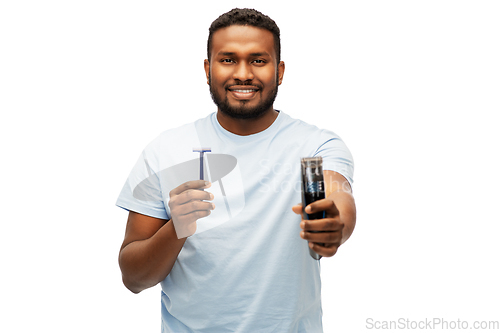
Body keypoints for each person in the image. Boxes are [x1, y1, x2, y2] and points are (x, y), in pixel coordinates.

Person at [116, 8, 356, 332]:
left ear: (280, 70)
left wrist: (335, 226)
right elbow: (133, 278)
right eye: (228, 59)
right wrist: (176, 228)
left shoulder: (314, 146)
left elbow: (338, 196)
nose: (243, 73)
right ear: (207, 68)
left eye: (258, 60)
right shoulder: (165, 151)